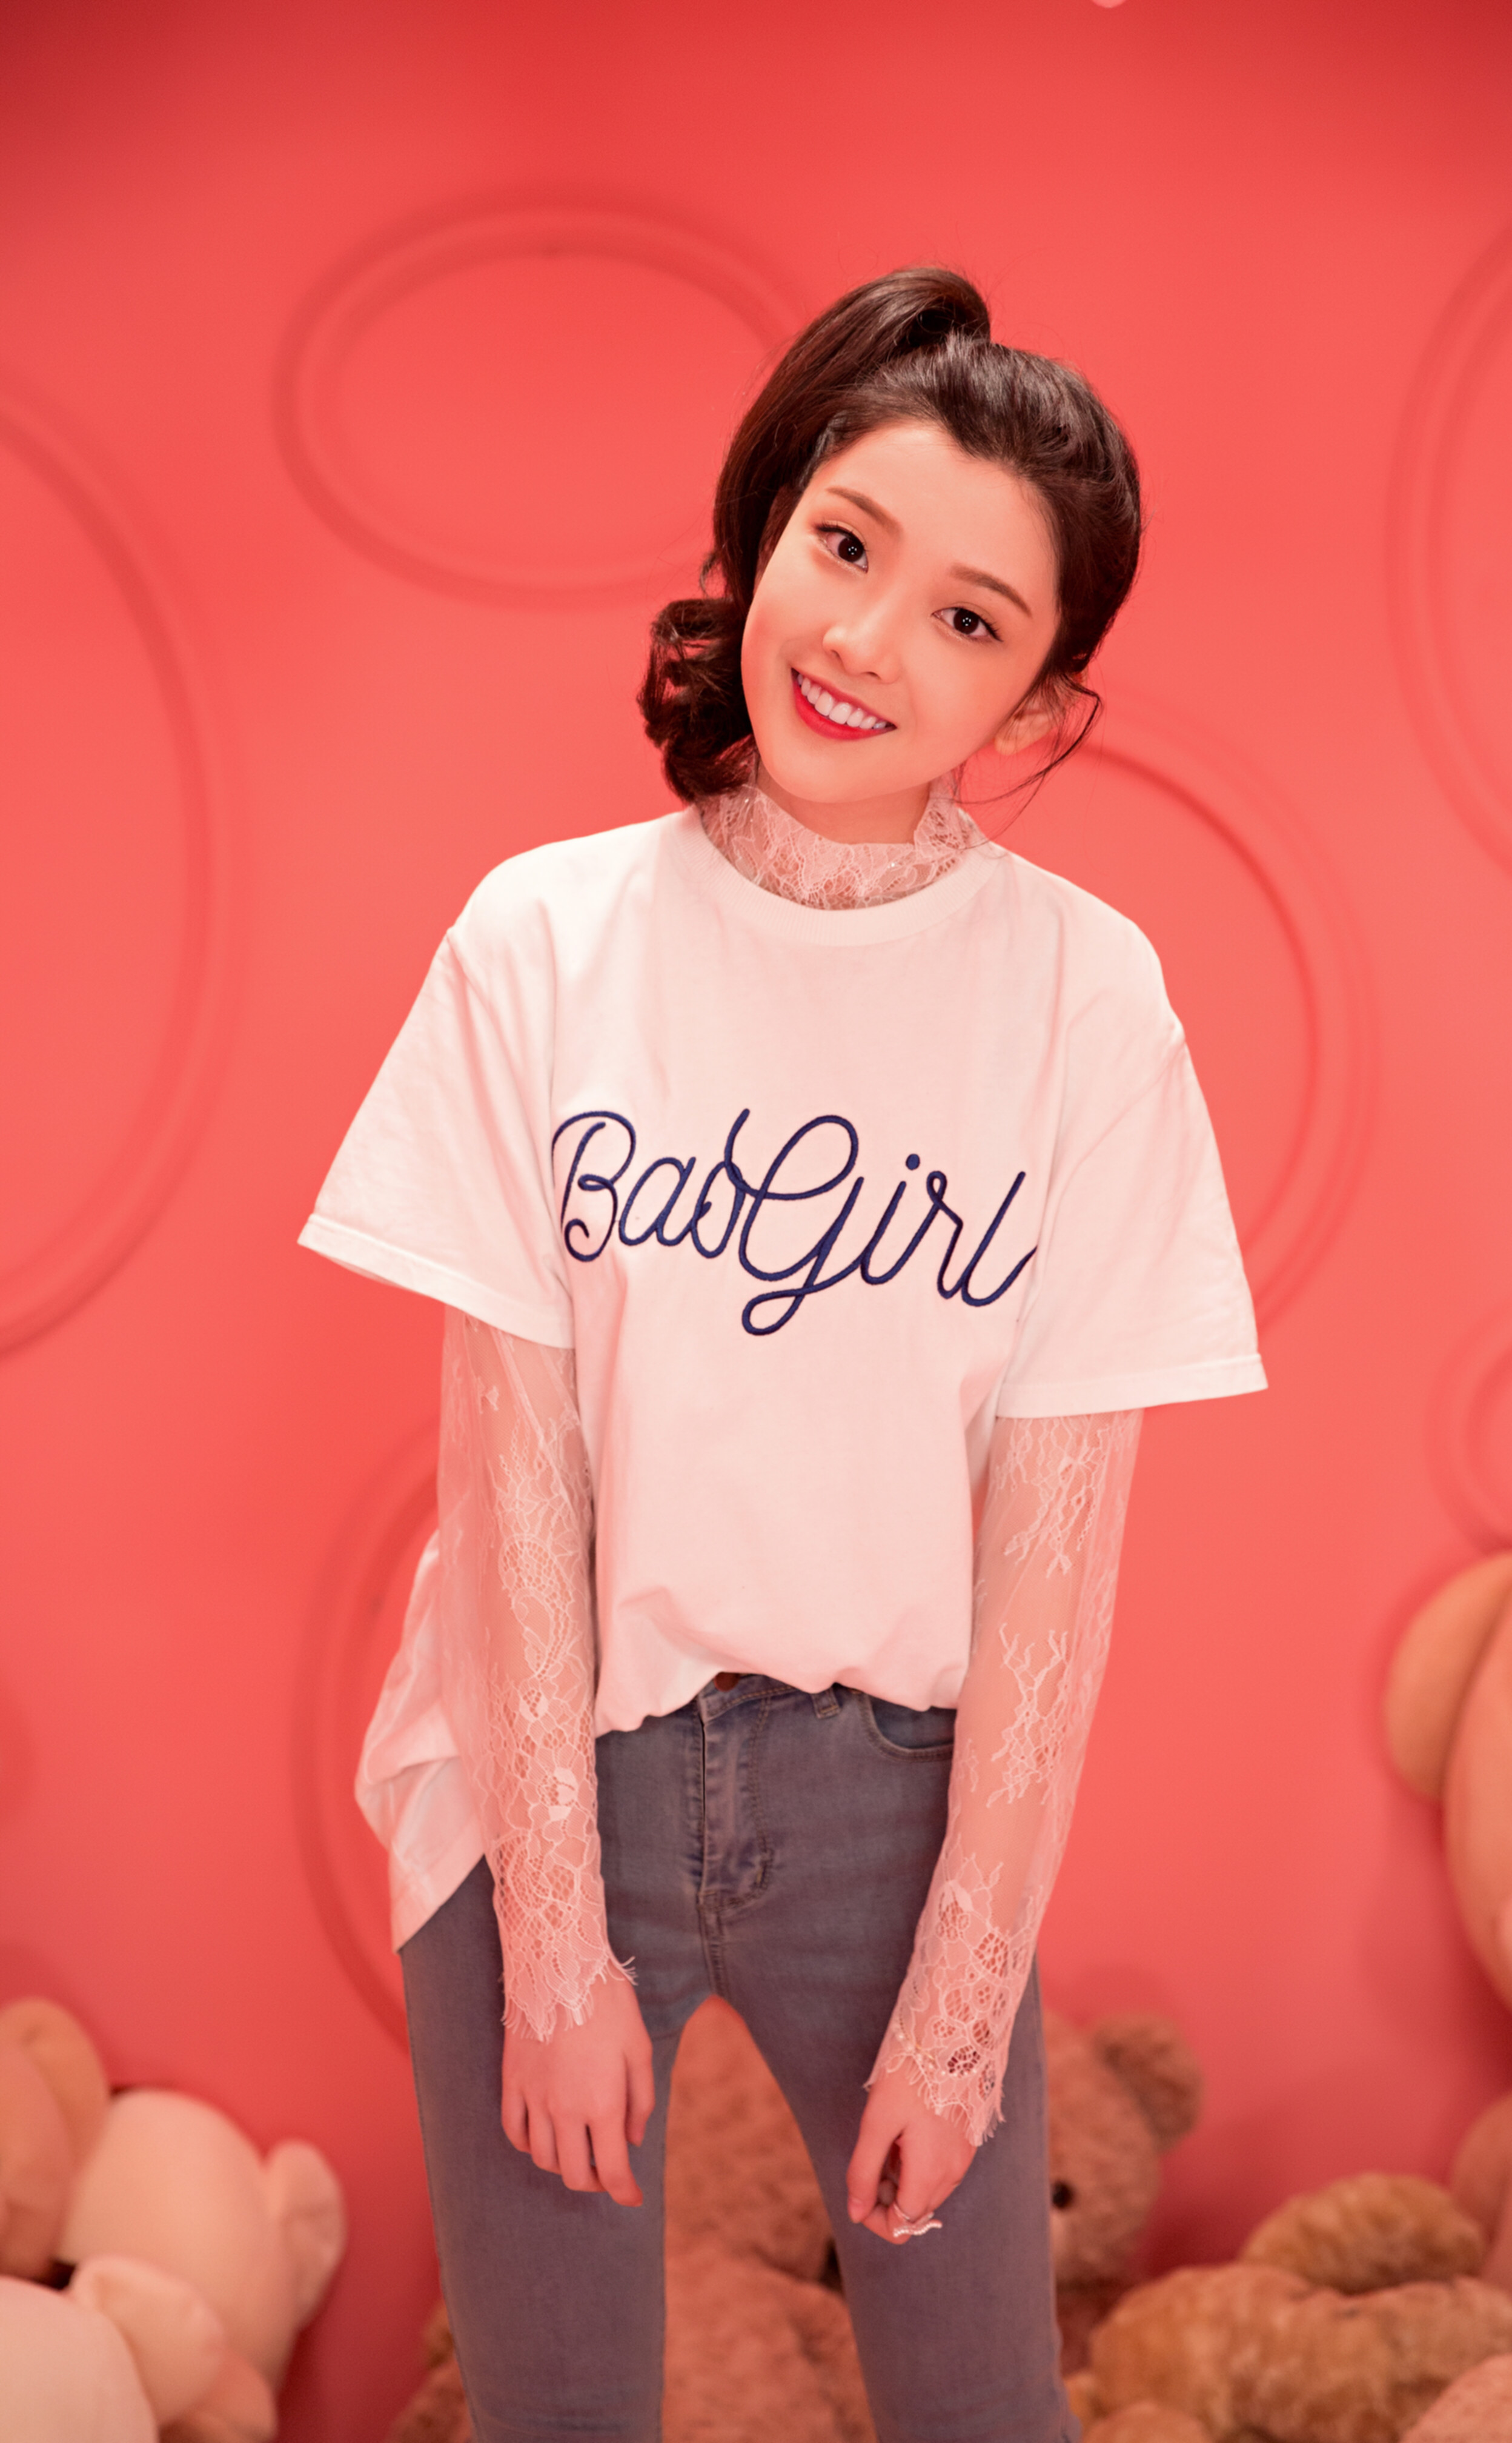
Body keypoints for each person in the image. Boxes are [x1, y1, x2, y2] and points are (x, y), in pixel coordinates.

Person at [300, 265, 1265, 2443]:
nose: (868, 640)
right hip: (547, 1765)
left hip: (899, 1808)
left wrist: (964, 1993)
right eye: (848, 546)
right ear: (766, 529)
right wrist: (558, 1944)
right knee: (557, 2414)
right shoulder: (544, 942)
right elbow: (512, 1472)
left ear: (1038, 700)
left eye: (969, 616)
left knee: (983, 2408)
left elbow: (1055, 1560)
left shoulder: (1085, 1002)